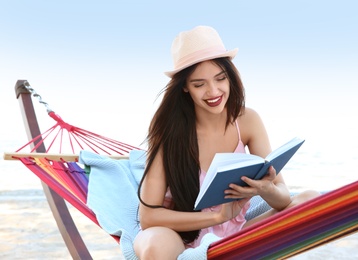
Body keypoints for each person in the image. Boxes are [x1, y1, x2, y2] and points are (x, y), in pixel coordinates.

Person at [133, 25, 320, 259]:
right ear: (184, 87)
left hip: (234, 236)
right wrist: (216, 217)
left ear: (230, 77)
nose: (213, 92)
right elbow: (149, 218)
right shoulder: (168, 131)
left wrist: (266, 189)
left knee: (312, 200)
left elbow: (283, 198)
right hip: (179, 235)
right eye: (199, 84)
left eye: (220, 79)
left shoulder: (247, 120)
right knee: (154, 244)